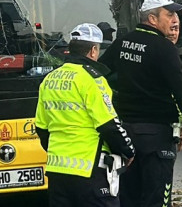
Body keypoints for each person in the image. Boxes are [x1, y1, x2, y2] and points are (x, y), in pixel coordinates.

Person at [99, 0, 182, 207]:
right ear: (152, 19)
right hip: (156, 135)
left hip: (125, 134)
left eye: (176, 15)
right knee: (156, 198)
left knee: (129, 195)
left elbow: (99, 74)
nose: (175, 20)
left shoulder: (122, 43)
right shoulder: (164, 48)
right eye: (169, 14)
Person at [35, 23, 136, 207]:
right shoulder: (93, 79)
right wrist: (127, 150)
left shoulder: (49, 79)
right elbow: (109, 125)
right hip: (90, 171)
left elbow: (41, 128)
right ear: (93, 51)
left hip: (57, 171)